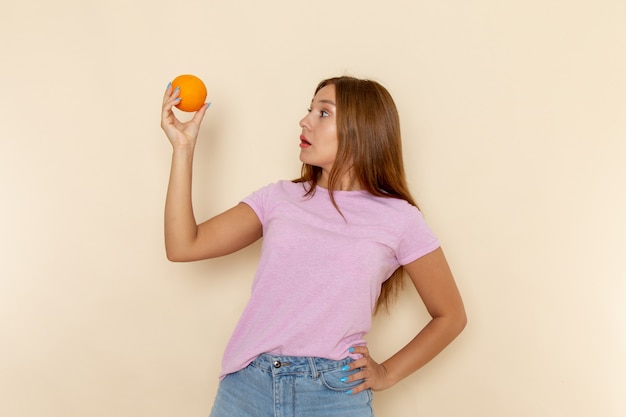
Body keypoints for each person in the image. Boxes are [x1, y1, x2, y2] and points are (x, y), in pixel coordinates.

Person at [160, 76, 466, 417]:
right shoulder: (279, 198)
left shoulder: (399, 219)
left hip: (333, 395)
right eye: (310, 110)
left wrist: (386, 373)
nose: (305, 121)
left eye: (324, 113)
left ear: (361, 128)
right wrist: (183, 149)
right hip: (248, 388)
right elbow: (183, 245)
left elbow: (451, 315)